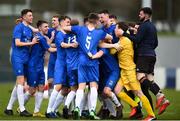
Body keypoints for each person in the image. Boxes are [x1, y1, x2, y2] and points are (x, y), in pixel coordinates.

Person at [63, 13, 120, 120]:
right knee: (94, 86)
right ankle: (92, 111)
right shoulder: (99, 32)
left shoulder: (79, 29)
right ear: (96, 21)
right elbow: (110, 37)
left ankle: (77, 108)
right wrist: (112, 44)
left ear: (88, 21)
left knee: (81, 86)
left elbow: (65, 28)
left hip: (81, 61)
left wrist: (75, 34)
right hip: (93, 61)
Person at [119, 7, 170, 115]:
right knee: (150, 79)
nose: (139, 15)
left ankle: (160, 96)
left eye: (141, 14)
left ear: (146, 15)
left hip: (143, 55)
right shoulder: (152, 26)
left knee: (140, 77)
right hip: (152, 55)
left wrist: (125, 34)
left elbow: (137, 40)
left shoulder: (143, 26)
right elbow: (156, 43)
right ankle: (164, 101)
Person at [114, 22, 156, 121]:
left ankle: (152, 115)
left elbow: (112, 51)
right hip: (124, 71)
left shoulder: (124, 41)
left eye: (116, 28)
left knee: (139, 93)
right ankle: (135, 105)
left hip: (130, 71)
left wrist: (108, 43)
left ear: (120, 30)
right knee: (117, 91)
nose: (114, 30)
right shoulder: (121, 39)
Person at [4, 9, 38, 117]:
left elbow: (36, 31)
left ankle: (9, 108)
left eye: (32, 15)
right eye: (30, 15)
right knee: (21, 81)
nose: (32, 17)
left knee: (19, 82)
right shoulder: (18, 27)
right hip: (18, 57)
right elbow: (17, 43)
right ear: (24, 17)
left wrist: (26, 24)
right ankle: (22, 109)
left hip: (26, 58)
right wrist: (31, 42)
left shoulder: (28, 28)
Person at [27, 20, 56, 117]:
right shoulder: (40, 38)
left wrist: (51, 38)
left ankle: (36, 111)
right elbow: (50, 49)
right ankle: (21, 107)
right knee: (32, 90)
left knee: (41, 87)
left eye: (48, 26)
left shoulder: (41, 37)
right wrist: (64, 47)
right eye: (45, 26)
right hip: (33, 66)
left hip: (40, 66)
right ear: (40, 28)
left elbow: (47, 44)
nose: (47, 28)